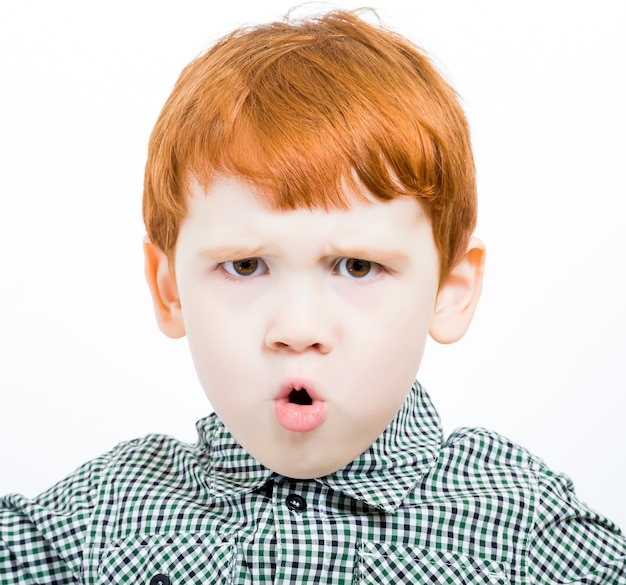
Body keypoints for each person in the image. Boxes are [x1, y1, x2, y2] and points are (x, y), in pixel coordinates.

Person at [1, 9, 624, 584]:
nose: (298, 328)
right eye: (245, 266)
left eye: (357, 267)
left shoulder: (520, 526)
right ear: (169, 290)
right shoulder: (101, 518)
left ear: (450, 292)